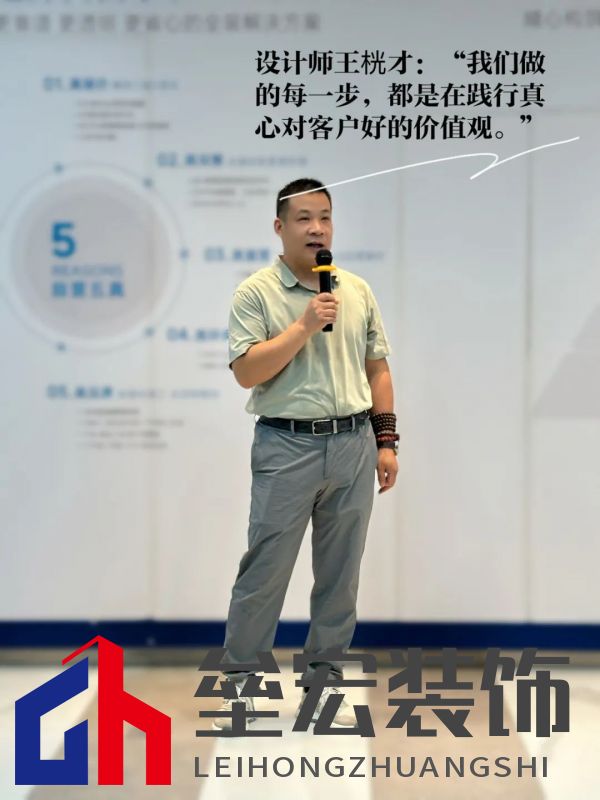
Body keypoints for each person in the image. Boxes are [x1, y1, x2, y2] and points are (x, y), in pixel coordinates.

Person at [214, 178, 399, 730]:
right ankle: (242, 690)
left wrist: (386, 441)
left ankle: (324, 690)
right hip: (286, 444)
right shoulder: (256, 293)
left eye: (325, 217)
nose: (317, 228)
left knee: (340, 578)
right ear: (280, 227)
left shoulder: (356, 291)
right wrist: (303, 325)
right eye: (303, 218)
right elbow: (247, 371)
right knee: (264, 573)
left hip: (353, 444)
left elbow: (377, 369)